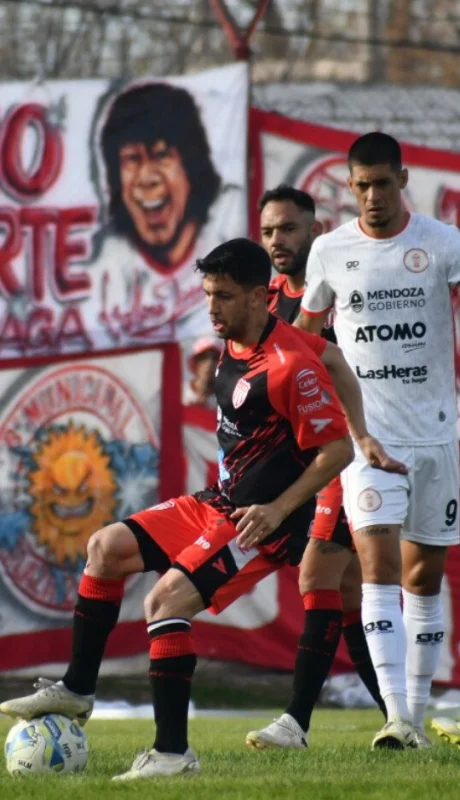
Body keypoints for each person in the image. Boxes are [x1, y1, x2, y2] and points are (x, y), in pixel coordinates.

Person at [0, 238, 354, 780]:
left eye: (224, 296)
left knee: (165, 600)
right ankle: (77, 689)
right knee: (105, 548)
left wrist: (279, 509)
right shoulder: (232, 344)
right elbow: (318, 372)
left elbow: (337, 450)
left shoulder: (291, 366)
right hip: (219, 501)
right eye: (208, 294)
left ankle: (172, 754)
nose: (212, 307)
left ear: (258, 297)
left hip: (259, 524)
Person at [295, 131, 460, 750]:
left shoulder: (443, 243)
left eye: (383, 184)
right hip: (369, 442)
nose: (373, 196)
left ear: (403, 180)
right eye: (362, 186)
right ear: (349, 186)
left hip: (437, 436)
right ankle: (394, 716)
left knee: (424, 578)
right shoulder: (330, 251)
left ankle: (414, 714)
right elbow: (307, 339)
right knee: (378, 568)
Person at [246, 185, 387, 752]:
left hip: (354, 452)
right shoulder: (267, 303)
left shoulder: (346, 290)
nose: (277, 241)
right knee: (347, 595)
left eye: (288, 229)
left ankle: (295, 724)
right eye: (268, 231)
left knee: (317, 576)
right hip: (314, 460)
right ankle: (402, 719)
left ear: (316, 230)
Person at [87, 82, 243, 345]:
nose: (147, 178)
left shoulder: (232, 226)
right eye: (132, 159)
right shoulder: (106, 265)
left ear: (191, 164)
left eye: (161, 155)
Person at [183, 337, 223, 409]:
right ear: (195, 362)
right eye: (204, 357)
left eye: (215, 358)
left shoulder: (227, 400)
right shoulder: (180, 393)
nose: (209, 363)